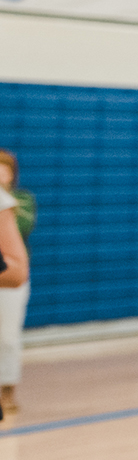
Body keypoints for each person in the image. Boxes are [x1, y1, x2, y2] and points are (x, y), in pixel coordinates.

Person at [0, 148, 34, 417]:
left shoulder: (16, 200)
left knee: (7, 337)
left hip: (8, 282)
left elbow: (15, 270)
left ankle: (7, 391)